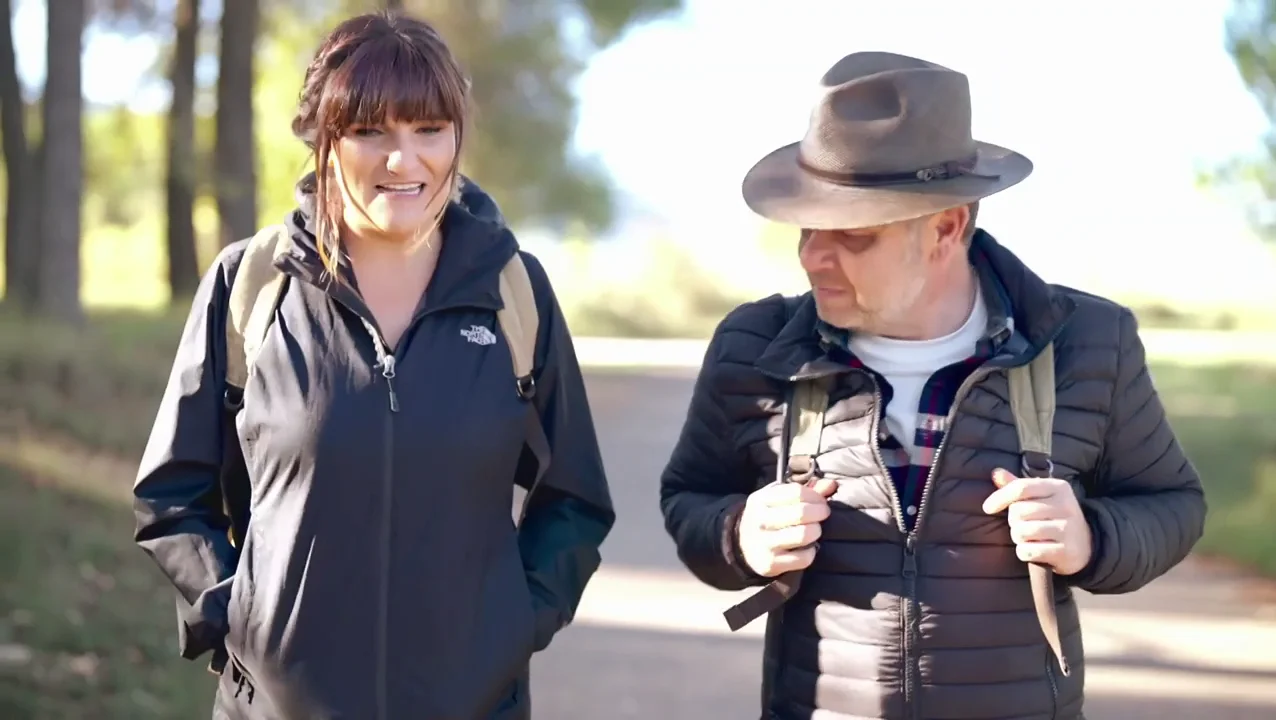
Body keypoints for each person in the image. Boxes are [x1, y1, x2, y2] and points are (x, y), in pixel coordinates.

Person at [658, 51, 1206, 720]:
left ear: (947, 227)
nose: (811, 256)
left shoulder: (1088, 343)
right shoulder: (755, 348)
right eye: (806, 228)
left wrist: (1092, 537)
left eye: (852, 236)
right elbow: (690, 499)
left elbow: (1173, 504)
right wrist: (739, 535)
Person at [132, 11, 614, 720]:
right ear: (321, 139)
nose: (404, 160)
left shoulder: (513, 290)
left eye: (429, 130)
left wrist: (515, 624)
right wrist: (241, 619)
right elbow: (173, 496)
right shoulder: (252, 286)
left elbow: (573, 499)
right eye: (370, 132)